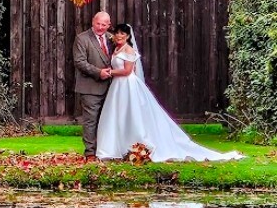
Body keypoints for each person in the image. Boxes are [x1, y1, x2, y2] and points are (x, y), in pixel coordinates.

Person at [96, 23, 244, 162]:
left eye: (122, 34)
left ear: (128, 36)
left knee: (133, 114)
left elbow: (128, 71)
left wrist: (110, 72)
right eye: (117, 33)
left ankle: (138, 144)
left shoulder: (129, 50)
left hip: (127, 85)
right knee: (117, 115)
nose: (119, 36)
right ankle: (115, 147)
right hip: (117, 86)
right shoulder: (116, 50)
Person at [73, 11, 114, 160]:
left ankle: (106, 151)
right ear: (92, 21)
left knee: (109, 120)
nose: (101, 27)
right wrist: (98, 72)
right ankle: (90, 153)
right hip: (90, 87)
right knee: (91, 121)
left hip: (112, 87)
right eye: (98, 23)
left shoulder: (112, 38)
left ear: (109, 25)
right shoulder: (82, 38)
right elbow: (79, 62)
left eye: (104, 24)